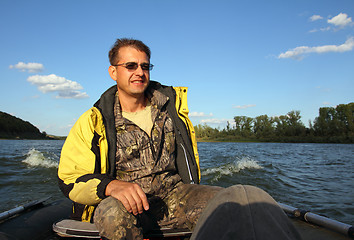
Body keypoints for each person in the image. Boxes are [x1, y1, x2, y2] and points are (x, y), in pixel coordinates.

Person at [58, 38, 302, 240]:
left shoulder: (170, 107)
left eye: (145, 66)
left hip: (176, 194)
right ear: (113, 72)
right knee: (112, 215)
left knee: (237, 201)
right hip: (126, 203)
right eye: (131, 66)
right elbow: (69, 179)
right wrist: (111, 186)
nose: (140, 72)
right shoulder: (93, 120)